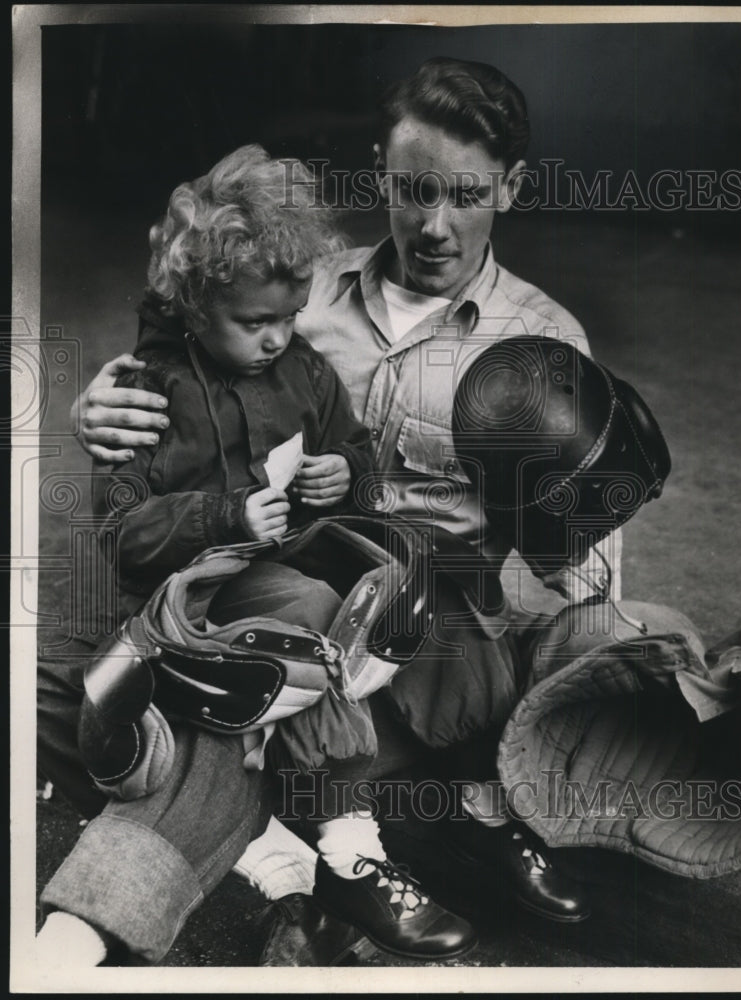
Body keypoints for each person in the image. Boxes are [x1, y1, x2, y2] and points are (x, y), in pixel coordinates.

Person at [64, 57, 609, 941]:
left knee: (429, 661)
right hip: (288, 616)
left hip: (430, 638)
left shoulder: (546, 345)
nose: (434, 225)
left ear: (511, 187)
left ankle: (469, 813)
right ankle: (336, 857)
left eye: (466, 195)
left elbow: (575, 551)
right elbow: (179, 348)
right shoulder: (294, 287)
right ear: (381, 173)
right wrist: (96, 405)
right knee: (237, 703)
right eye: (413, 189)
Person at [36, 144, 476, 967]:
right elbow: (123, 533)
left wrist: (346, 471)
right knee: (56, 687)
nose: (277, 338)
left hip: (277, 604)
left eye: (290, 316)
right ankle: (272, 836)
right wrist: (222, 513)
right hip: (177, 604)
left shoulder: (305, 373)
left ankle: (335, 845)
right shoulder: (148, 388)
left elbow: (359, 465)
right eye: (254, 322)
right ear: (196, 304)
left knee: (307, 622)